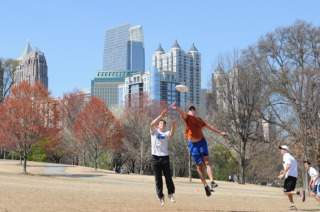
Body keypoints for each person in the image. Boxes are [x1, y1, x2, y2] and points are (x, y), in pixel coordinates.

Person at [170, 102, 226, 197]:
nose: (192, 111)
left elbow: (210, 127)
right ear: (188, 112)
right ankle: (205, 186)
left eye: (193, 110)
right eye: (190, 110)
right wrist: (176, 108)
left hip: (202, 142)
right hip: (193, 145)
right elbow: (182, 113)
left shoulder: (199, 120)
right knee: (199, 166)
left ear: (195, 112)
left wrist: (220, 132)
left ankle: (212, 181)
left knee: (207, 162)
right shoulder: (187, 117)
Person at [150, 109, 177, 206]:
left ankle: (170, 193)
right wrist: (160, 116)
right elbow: (152, 124)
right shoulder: (154, 132)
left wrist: (173, 125)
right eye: (161, 123)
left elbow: (172, 134)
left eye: (164, 124)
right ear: (158, 125)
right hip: (155, 158)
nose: (162, 124)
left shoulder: (166, 133)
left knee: (168, 177)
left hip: (164, 157)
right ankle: (161, 197)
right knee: (158, 179)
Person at [278, 145, 305, 210]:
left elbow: (288, 165)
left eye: (282, 149)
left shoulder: (286, 155)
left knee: (285, 192)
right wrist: (283, 171)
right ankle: (292, 206)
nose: (281, 150)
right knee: (289, 192)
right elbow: (289, 166)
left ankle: (299, 193)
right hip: (292, 176)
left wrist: (283, 174)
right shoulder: (289, 156)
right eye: (281, 149)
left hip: (290, 176)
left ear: (286, 150)